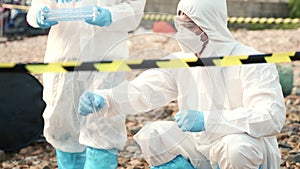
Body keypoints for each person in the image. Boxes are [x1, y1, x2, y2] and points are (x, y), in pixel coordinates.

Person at [78, 0, 286, 168]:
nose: (181, 32)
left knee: (236, 148)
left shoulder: (251, 60)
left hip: (243, 146)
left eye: (188, 26)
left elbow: (270, 116)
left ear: (209, 26)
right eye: (180, 25)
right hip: (202, 144)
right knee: (154, 135)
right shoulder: (182, 61)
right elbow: (144, 90)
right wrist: (105, 99)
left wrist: (209, 120)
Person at [26, 0, 145, 168]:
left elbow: (134, 10)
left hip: (106, 58)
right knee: (62, 119)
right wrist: (40, 14)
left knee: (104, 118)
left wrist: (110, 15)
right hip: (65, 57)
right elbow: (37, 7)